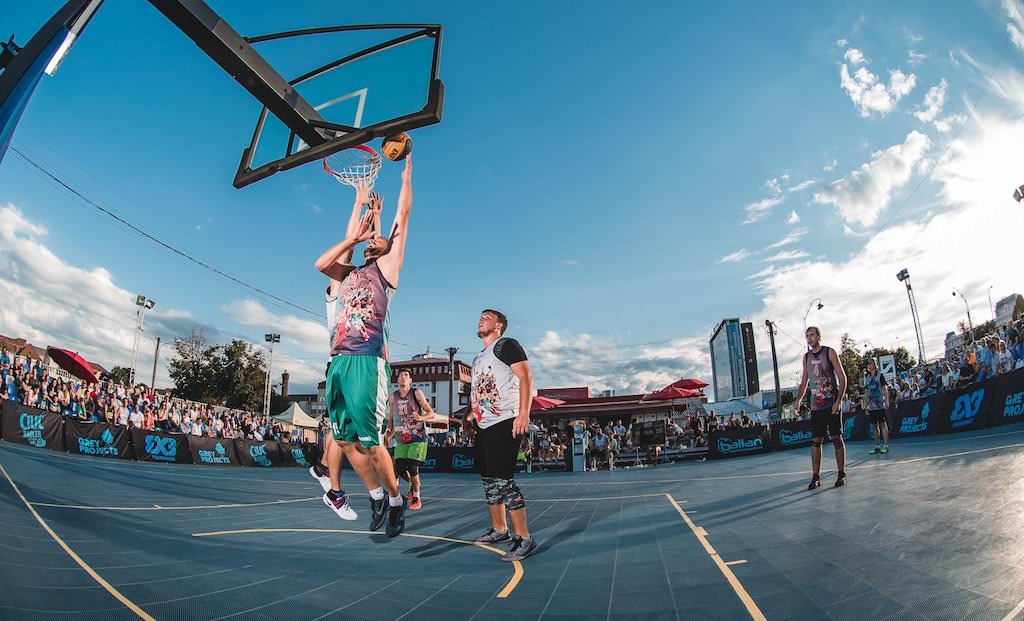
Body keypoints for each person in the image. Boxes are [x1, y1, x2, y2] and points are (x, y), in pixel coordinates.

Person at [314, 155, 415, 538]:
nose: (374, 238)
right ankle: (374, 493)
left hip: (367, 362)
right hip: (338, 361)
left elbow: (402, 219)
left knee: (372, 444)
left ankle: (394, 499)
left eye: (377, 236)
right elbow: (323, 262)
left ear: (387, 246)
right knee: (343, 439)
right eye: (370, 237)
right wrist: (356, 227)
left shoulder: (385, 271)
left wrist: (406, 174)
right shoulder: (352, 273)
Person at [468, 309, 539, 561]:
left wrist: (523, 413)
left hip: (505, 421)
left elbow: (525, 376)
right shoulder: (478, 357)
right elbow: (481, 389)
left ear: (499, 326)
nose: (480, 318)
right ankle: (500, 530)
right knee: (489, 480)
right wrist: (471, 414)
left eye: (486, 317)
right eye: (480, 316)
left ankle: (525, 538)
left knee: (503, 480)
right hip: (484, 424)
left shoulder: (506, 345)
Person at [794, 326, 848, 489]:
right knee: (816, 440)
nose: (809, 338)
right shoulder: (806, 357)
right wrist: (798, 400)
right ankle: (815, 476)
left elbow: (842, 376)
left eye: (811, 335)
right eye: (807, 336)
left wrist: (838, 401)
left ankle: (841, 473)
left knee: (836, 438)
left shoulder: (829, 352)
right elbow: (804, 382)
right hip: (816, 406)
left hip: (831, 403)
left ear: (818, 336)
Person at [385, 368, 435, 511]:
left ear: (410, 380)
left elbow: (430, 413)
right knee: (399, 469)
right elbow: (391, 419)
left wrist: (421, 418)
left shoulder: (416, 393)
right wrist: (388, 433)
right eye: (401, 375)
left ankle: (417, 498)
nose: (403, 377)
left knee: (412, 467)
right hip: (401, 439)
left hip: (417, 437)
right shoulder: (393, 397)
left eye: (406, 376)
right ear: (397, 379)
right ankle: (412, 487)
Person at [863, 359, 890, 455]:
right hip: (872, 406)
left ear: (875, 365)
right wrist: (865, 406)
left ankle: (886, 445)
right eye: (868, 363)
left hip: (880, 404)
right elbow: (867, 392)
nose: (869, 365)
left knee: (882, 424)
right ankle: (877, 446)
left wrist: (886, 400)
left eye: (871, 363)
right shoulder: (868, 378)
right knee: (874, 426)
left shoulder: (880, 375)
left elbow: (884, 388)